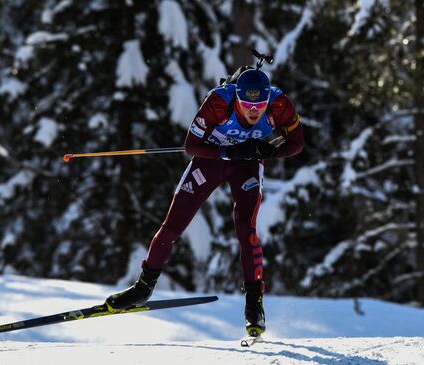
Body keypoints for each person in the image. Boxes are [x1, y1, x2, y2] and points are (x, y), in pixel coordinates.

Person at [106, 68, 304, 337]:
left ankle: (254, 304)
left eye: (259, 105)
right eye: (247, 105)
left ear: (268, 99)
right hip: (210, 162)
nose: (254, 111)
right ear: (237, 98)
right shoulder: (218, 101)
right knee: (173, 225)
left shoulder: (280, 104)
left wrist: (269, 149)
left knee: (246, 230)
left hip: (246, 167)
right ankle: (143, 287)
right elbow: (191, 145)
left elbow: (297, 143)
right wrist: (228, 151)